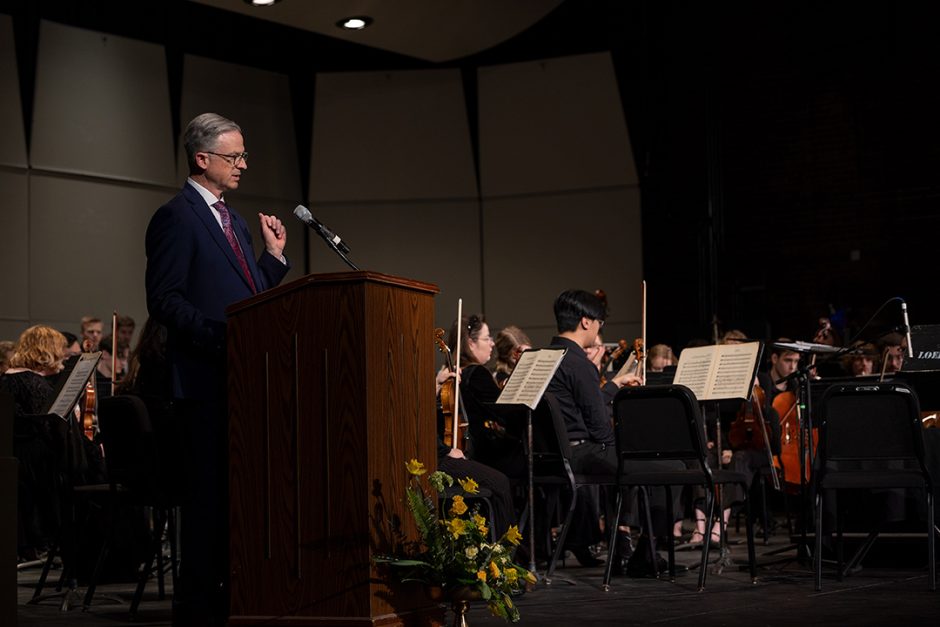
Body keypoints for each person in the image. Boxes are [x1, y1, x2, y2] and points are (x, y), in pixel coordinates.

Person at [145, 112, 290, 625]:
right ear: (202, 159)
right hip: (204, 383)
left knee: (238, 505)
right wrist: (218, 337)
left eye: (244, 155)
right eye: (235, 156)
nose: (244, 165)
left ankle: (238, 600)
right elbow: (164, 299)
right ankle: (199, 608)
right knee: (207, 506)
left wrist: (272, 259)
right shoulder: (176, 216)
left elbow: (252, 300)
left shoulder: (235, 221)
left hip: (242, 383)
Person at [545, 289, 681, 574]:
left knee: (635, 463)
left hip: (553, 454)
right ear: (586, 322)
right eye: (599, 323)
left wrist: (612, 386)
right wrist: (629, 446)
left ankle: (625, 546)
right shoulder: (578, 363)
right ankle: (647, 552)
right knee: (673, 467)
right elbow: (600, 430)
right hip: (581, 454)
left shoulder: (541, 357)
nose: (598, 329)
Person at [0, 325, 73, 562]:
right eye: (61, 348)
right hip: (34, 463)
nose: (65, 354)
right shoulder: (34, 383)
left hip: (16, 457)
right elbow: (51, 429)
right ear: (47, 350)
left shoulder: (7, 377)